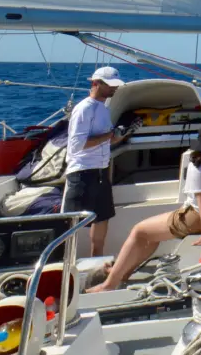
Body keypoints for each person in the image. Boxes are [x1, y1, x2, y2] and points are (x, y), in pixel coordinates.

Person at [87, 123, 201, 292]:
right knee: (151, 236)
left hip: (193, 217)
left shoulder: (199, 166)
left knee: (138, 231)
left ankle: (109, 284)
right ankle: (122, 275)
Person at [63, 66, 133, 257]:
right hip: (82, 173)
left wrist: (124, 133)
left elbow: (108, 140)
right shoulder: (84, 108)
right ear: (96, 83)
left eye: (116, 85)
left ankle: (97, 262)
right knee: (72, 224)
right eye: (110, 85)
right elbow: (77, 145)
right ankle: (66, 264)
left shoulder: (103, 109)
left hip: (101, 171)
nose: (114, 89)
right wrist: (110, 134)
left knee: (102, 219)